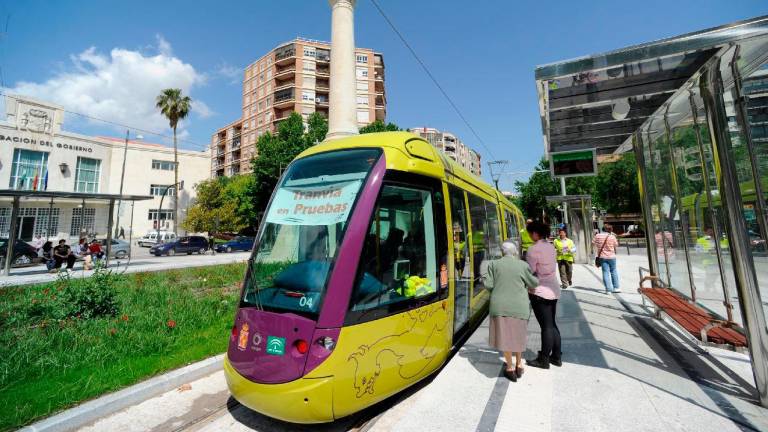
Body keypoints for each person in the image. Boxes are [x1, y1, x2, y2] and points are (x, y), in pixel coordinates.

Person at [484, 240, 538, 382]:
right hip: (519, 306)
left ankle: (509, 367)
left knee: (505, 336)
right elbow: (533, 283)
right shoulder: (523, 265)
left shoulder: (493, 265)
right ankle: (519, 364)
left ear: (502, 252)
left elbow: (488, 285)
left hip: (499, 305)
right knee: (518, 335)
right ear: (515, 252)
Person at [526, 221, 562, 369]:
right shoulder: (551, 246)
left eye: (530, 233)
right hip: (553, 289)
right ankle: (556, 356)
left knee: (545, 326)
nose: (529, 236)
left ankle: (544, 359)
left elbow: (530, 271)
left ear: (535, 233)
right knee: (552, 324)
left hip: (539, 291)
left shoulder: (533, 250)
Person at [593, 224, 620, 293]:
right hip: (612, 257)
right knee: (613, 271)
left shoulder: (597, 235)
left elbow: (593, 243)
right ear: (610, 230)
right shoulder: (612, 236)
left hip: (602, 256)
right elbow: (616, 245)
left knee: (605, 272)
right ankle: (616, 288)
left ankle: (608, 290)